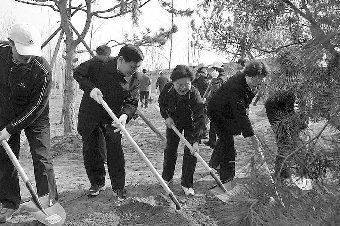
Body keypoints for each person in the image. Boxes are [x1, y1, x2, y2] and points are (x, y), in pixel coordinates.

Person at [0, 23, 58, 223]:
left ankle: (48, 204)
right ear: (10, 44)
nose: (27, 59)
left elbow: (36, 107)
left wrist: (10, 129)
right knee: (5, 157)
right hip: (6, 110)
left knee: (41, 156)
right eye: (22, 54)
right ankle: (9, 202)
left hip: (35, 115)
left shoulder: (42, 70)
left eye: (30, 55)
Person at [73, 44, 143, 199]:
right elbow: (78, 73)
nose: (133, 71)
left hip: (114, 117)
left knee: (115, 151)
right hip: (91, 113)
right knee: (91, 150)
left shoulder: (136, 78)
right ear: (121, 59)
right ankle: (96, 183)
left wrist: (125, 116)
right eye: (131, 67)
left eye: (137, 67)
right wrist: (91, 88)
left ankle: (118, 187)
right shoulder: (100, 63)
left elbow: (132, 100)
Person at [206, 60, 268, 189]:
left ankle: (214, 164)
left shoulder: (248, 82)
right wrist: (252, 137)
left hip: (227, 110)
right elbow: (240, 113)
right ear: (249, 75)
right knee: (228, 145)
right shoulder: (235, 86)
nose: (259, 82)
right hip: (217, 112)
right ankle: (227, 182)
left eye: (260, 80)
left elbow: (245, 104)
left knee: (225, 140)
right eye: (257, 79)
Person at [158, 65, 205, 196]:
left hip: (191, 125)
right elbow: (162, 104)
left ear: (191, 83)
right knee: (170, 149)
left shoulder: (195, 95)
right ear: (173, 82)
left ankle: (187, 184)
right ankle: (167, 177)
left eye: (187, 84)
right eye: (180, 84)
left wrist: (196, 141)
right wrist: (166, 117)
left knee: (191, 153)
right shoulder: (167, 89)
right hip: (173, 122)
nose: (183, 88)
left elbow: (200, 119)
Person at [264, 90, 308, 183]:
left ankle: (283, 174)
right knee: (283, 144)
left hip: (275, 108)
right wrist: (299, 124)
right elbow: (290, 114)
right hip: (274, 110)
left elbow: (292, 115)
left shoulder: (293, 95)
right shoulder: (291, 96)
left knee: (286, 143)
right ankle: (281, 175)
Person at [203, 61, 225, 148]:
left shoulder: (222, 78)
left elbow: (216, 90)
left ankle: (220, 144)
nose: (212, 70)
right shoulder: (217, 77)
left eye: (214, 69)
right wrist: (205, 97)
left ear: (217, 69)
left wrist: (215, 79)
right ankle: (212, 141)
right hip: (214, 103)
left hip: (219, 104)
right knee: (213, 123)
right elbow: (210, 89)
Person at [192, 64, 210, 139]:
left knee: (198, 116)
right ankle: (204, 133)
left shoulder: (196, 78)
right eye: (205, 68)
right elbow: (208, 88)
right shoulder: (203, 78)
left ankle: (199, 132)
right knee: (203, 116)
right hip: (202, 99)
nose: (206, 70)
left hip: (196, 99)